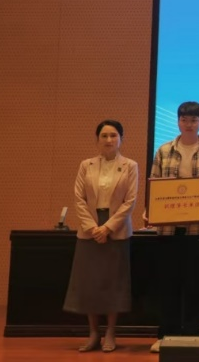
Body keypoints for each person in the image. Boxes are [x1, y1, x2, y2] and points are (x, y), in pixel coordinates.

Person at [146, 101, 199, 354]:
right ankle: (166, 336)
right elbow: (154, 185)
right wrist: (151, 211)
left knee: (195, 287)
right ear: (178, 121)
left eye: (193, 120)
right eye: (184, 119)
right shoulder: (163, 151)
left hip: (197, 231)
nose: (188, 124)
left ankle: (192, 337)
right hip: (168, 231)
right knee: (168, 286)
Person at [63, 120, 139, 353]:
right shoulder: (85, 165)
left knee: (113, 283)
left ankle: (110, 332)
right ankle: (93, 332)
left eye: (113, 135)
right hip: (90, 230)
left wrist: (107, 228)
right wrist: (93, 227)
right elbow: (79, 199)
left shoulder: (130, 166)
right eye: (104, 136)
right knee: (90, 283)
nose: (109, 140)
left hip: (116, 230)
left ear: (121, 139)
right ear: (97, 139)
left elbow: (130, 201)